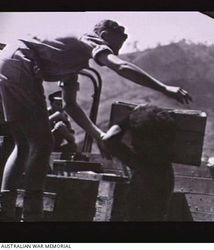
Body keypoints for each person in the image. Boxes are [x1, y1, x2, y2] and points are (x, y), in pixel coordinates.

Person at [0, 19, 192, 221]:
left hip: (10, 61)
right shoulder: (89, 40)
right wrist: (164, 88)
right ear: (105, 35)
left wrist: (98, 135)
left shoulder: (71, 59)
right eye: (115, 44)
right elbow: (122, 67)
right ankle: (32, 213)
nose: (114, 52)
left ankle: (4, 207)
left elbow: (70, 105)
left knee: (23, 143)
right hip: (22, 62)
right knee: (43, 143)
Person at [103, 104, 176, 221]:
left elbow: (109, 139)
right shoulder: (164, 168)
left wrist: (130, 117)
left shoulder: (141, 165)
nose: (132, 143)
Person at [47, 91, 77, 155]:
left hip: (56, 147)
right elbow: (37, 131)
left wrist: (65, 131)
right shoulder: (44, 113)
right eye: (57, 104)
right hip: (43, 146)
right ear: (51, 104)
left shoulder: (64, 116)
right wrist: (54, 117)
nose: (60, 107)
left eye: (61, 105)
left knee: (72, 147)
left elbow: (72, 139)